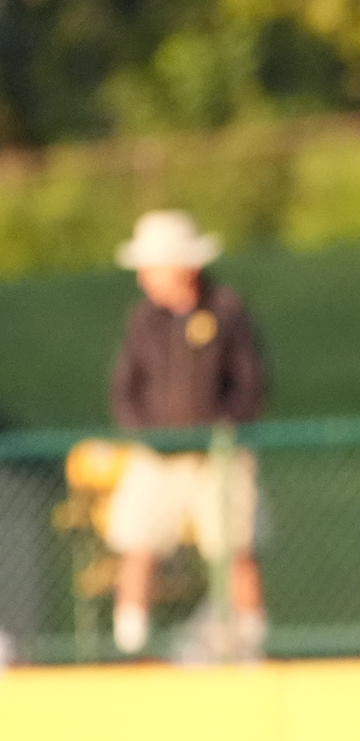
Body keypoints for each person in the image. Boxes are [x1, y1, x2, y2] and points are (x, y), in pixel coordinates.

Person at [104, 209, 268, 657]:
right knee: (137, 542)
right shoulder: (143, 319)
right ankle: (130, 643)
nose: (145, 278)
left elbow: (249, 383)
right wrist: (149, 436)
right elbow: (126, 387)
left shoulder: (226, 309)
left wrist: (223, 430)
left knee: (233, 546)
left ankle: (250, 641)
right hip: (158, 458)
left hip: (218, 456)